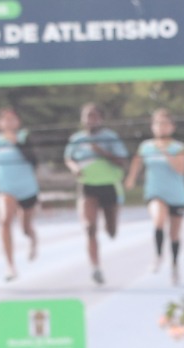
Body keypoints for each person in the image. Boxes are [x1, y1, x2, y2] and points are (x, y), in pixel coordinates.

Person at [64, 102, 128, 285]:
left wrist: (101, 152)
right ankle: (95, 268)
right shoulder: (77, 139)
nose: (90, 119)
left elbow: (122, 161)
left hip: (109, 186)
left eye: (94, 116)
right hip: (88, 186)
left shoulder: (110, 137)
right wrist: (75, 168)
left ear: (101, 118)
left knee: (111, 231)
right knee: (89, 228)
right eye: (87, 116)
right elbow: (68, 158)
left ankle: (111, 226)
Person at [126, 108, 184, 284]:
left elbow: (181, 170)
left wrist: (166, 152)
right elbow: (137, 162)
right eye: (158, 124)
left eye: (165, 124)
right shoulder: (146, 147)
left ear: (172, 127)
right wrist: (131, 178)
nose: (161, 127)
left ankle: (174, 264)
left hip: (176, 195)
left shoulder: (179, 147)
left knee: (174, 234)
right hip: (155, 192)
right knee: (158, 220)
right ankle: (158, 255)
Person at [0, 108, 39, 282]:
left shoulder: (24, 137)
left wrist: (17, 143)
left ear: (18, 122)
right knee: (4, 221)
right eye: (5, 119)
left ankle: (32, 238)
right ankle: (10, 266)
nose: (8, 122)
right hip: (6, 188)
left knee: (25, 228)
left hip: (27, 188)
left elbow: (34, 161)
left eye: (12, 119)